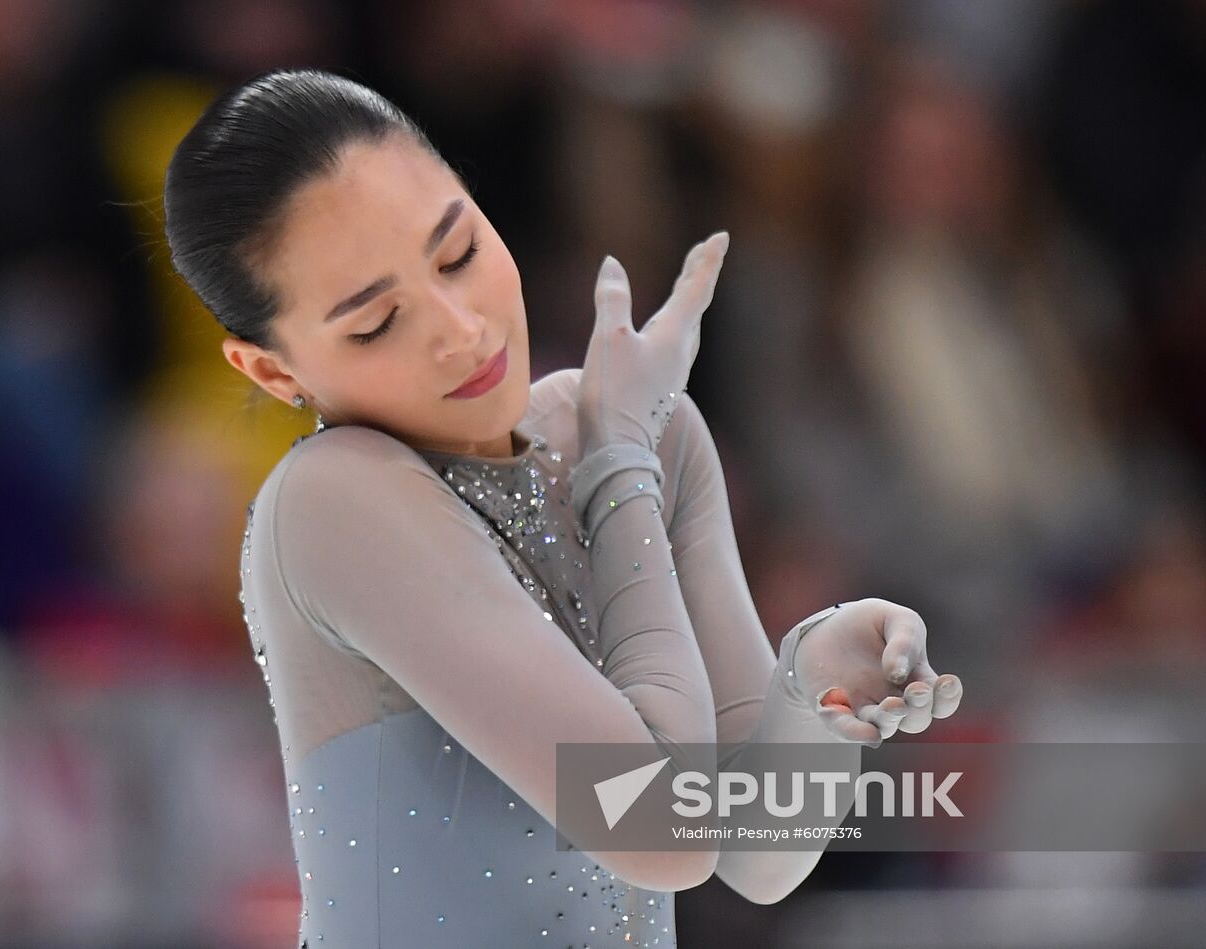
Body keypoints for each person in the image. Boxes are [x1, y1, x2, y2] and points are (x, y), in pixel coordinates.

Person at [163, 68, 964, 948]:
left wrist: (811, 686)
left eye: (458, 252)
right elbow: (661, 830)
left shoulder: (631, 430)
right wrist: (620, 468)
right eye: (376, 322)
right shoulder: (333, 498)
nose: (460, 327)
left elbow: (754, 849)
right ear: (274, 372)